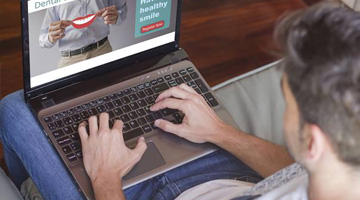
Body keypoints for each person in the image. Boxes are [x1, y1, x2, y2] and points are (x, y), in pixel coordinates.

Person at [1, 2, 360, 200]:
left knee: (15, 109)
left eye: (288, 103)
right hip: (226, 170)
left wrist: (105, 177)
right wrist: (220, 132)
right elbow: (294, 169)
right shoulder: (342, 175)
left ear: (313, 142)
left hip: (128, 191)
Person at [39, 0, 127, 68]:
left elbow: (121, 10)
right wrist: (50, 38)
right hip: (70, 62)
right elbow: (42, 38)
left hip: (102, 51)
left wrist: (117, 17)